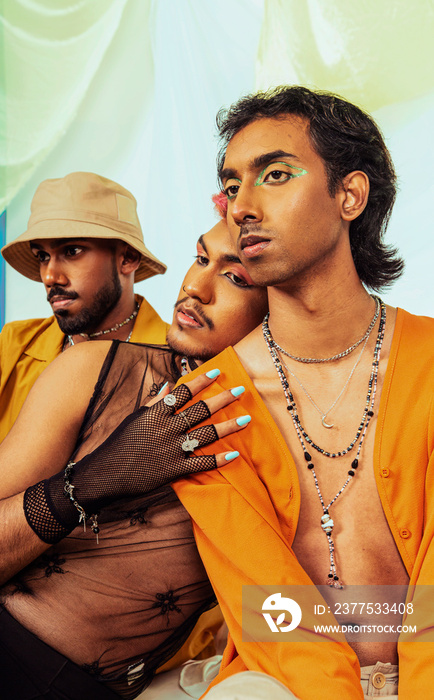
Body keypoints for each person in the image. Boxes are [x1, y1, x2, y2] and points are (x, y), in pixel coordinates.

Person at [169, 87, 434, 699]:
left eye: (275, 175)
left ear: (350, 195)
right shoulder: (209, 405)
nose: (242, 206)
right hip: (283, 680)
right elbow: (265, 611)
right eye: (232, 186)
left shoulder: (427, 364)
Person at [0, 217, 269, 700]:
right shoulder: (95, 369)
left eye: (235, 277)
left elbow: (345, 610)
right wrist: (96, 477)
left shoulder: (298, 443)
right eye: (199, 258)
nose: (193, 287)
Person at [0, 171, 168, 459]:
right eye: (42, 256)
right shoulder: (14, 348)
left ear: (127, 258)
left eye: (72, 251)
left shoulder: (177, 357)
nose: (50, 276)